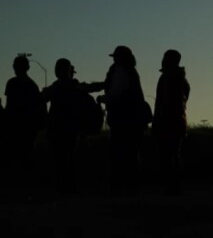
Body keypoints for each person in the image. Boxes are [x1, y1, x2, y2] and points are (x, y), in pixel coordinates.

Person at [41, 58, 102, 192]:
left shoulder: (55, 87)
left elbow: (41, 99)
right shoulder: (73, 86)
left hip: (58, 128)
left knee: (61, 158)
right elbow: (90, 88)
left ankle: (63, 185)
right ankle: (69, 186)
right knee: (68, 157)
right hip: (69, 128)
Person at [96, 45, 151, 193]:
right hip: (133, 120)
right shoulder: (132, 71)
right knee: (131, 153)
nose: (113, 59)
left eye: (115, 56)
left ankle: (120, 186)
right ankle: (132, 186)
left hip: (123, 120)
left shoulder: (120, 71)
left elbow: (115, 93)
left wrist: (102, 98)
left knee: (119, 154)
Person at [4, 54, 47, 187]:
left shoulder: (13, 83)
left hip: (18, 125)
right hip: (26, 126)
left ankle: (20, 183)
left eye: (16, 65)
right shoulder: (31, 85)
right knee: (25, 154)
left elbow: (9, 106)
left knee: (17, 155)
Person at [152, 49, 190, 195]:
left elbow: (166, 103)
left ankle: (172, 187)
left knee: (168, 157)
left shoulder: (168, 78)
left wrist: (160, 122)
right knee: (173, 155)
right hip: (177, 123)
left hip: (168, 124)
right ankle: (175, 187)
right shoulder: (181, 79)